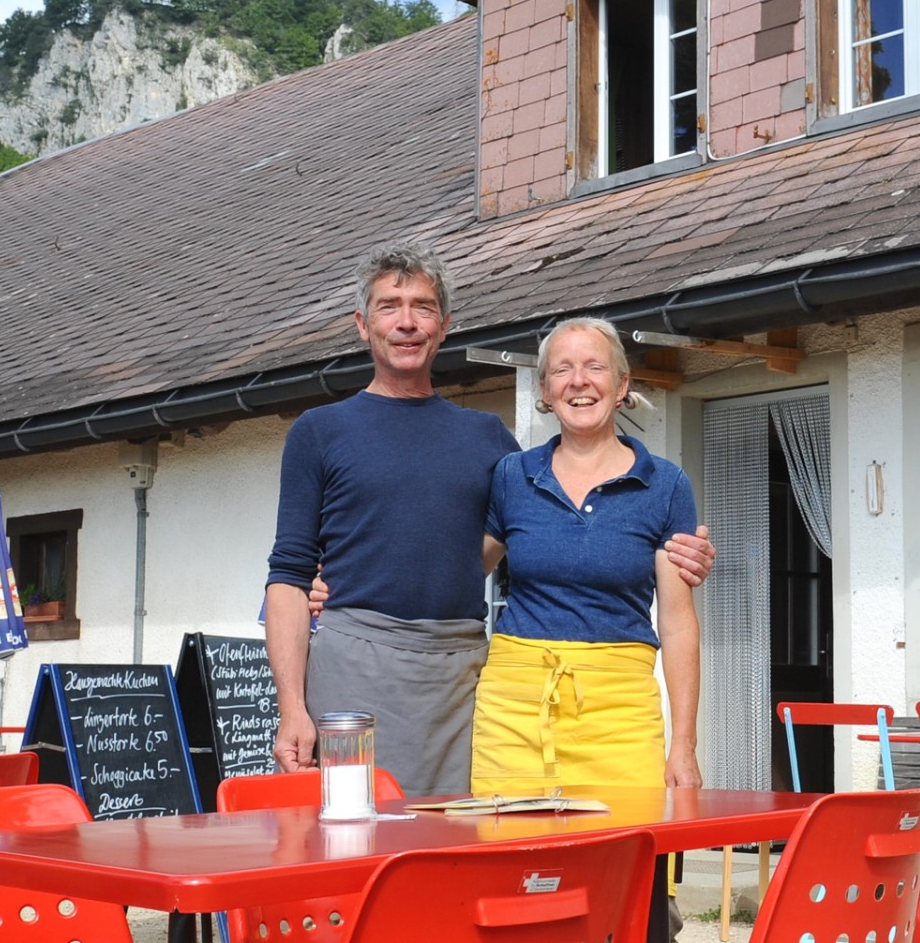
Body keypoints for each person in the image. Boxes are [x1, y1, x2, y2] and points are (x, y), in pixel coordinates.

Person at [265, 242, 713, 798]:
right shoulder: (318, 431)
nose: (407, 322)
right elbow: (287, 571)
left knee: (460, 849)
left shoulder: (490, 445)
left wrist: (682, 553)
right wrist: (292, 703)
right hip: (353, 672)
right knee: (353, 843)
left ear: (445, 325)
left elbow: (473, 555)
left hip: (463, 679)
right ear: (363, 324)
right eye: (389, 306)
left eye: (423, 308)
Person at [471, 315, 702, 795]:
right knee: (511, 860)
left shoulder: (666, 485)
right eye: (563, 370)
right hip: (515, 708)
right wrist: (349, 581)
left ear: (622, 385)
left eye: (595, 367)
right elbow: (460, 573)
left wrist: (683, 743)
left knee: (624, 858)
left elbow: (678, 624)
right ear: (545, 389)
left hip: (622, 712)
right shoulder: (511, 475)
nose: (579, 381)